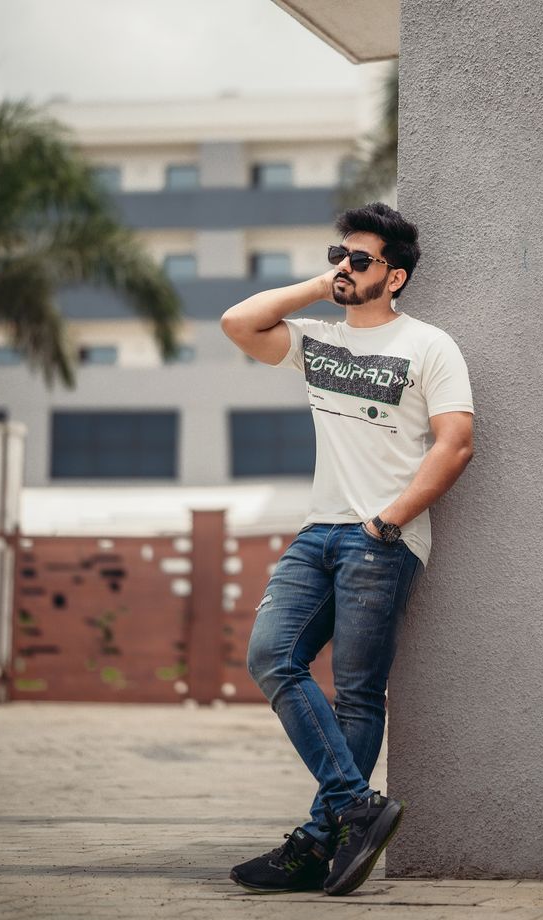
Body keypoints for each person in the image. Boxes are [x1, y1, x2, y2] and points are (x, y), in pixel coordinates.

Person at [221, 202, 474, 896]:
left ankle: (314, 844)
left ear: (393, 278)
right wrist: (318, 283)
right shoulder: (315, 340)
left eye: (359, 260)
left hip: (380, 536)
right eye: (341, 255)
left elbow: (456, 445)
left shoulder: (429, 346)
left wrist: (388, 523)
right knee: (272, 655)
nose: (345, 267)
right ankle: (355, 809)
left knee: (358, 694)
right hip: (317, 531)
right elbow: (237, 323)